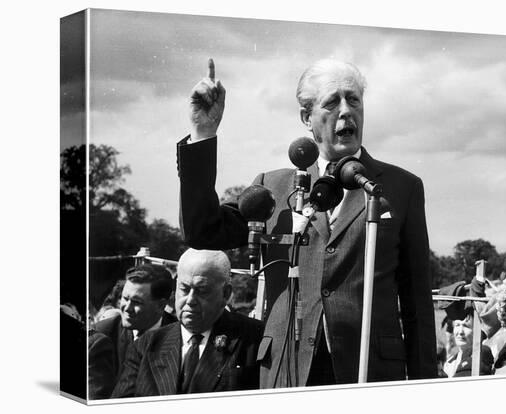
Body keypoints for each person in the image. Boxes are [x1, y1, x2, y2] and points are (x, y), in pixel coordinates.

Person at [177, 58, 437, 387]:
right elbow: (201, 230)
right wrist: (203, 133)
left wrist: (424, 387)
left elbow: (417, 305)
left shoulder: (401, 188)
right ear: (307, 118)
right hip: (287, 369)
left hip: (369, 372)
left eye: (353, 99)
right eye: (332, 101)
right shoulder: (273, 187)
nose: (346, 110)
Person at [111, 249, 264, 397]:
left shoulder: (254, 340)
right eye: (184, 289)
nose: (190, 300)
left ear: (226, 293)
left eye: (202, 290)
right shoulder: (145, 346)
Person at [95, 264, 177, 384]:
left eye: (136, 302)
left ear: (160, 305)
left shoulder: (180, 337)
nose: (127, 308)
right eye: (125, 298)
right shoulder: (103, 334)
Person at [442, 312, 493, 378]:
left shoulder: (484, 357)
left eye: (466, 326)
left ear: (478, 330)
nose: (460, 332)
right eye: (457, 325)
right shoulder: (449, 364)